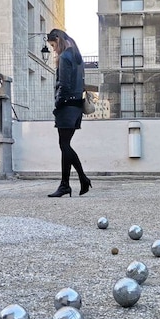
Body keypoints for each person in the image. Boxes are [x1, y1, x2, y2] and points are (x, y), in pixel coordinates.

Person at [46, 28, 91, 198]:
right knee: (65, 145)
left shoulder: (65, 57)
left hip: (66, 106)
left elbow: (63, 84)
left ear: (58, 39)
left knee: (64, 145)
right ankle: (74, 182)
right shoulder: (77, 57)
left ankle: (75, 181)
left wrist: (57, 104)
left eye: (53, 45)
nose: (53, 50)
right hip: (77, 106)